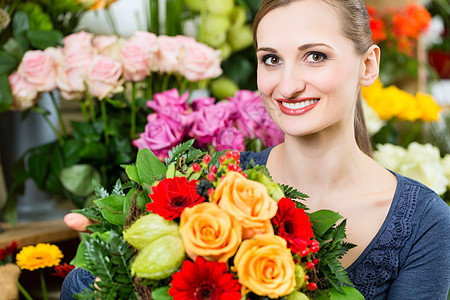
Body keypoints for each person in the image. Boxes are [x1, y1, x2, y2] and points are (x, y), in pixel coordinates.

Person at [61, 0, 450, 299]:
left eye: (315, 56)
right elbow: (81, 286)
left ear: (368, 65)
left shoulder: (424, 223)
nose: (287, 85)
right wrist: (114, 260)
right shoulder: (208, 185)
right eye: (271, 60)